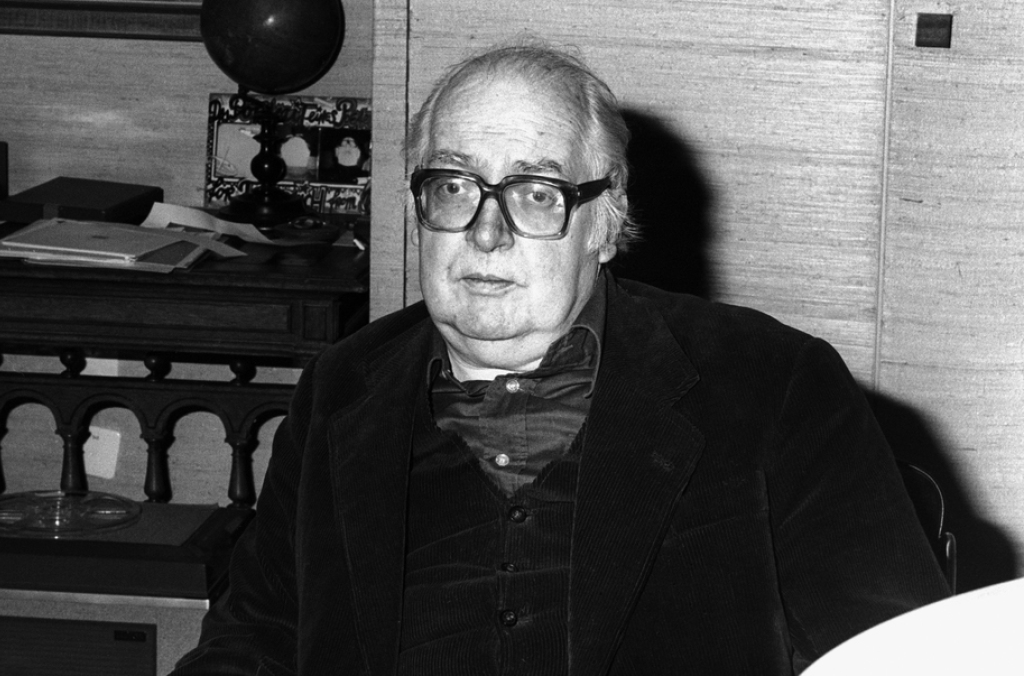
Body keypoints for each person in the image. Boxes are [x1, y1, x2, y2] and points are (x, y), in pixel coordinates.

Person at [171, 42, 950, 676]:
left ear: (605, 224)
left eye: (536, 193)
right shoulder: (342, 390)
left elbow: (895, 656)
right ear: (417, 210)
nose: (486, 233)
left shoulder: (771, 385)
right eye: (454, 187)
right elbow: (256, 638)